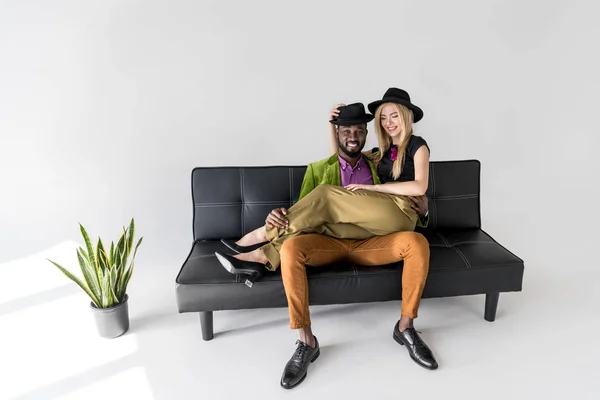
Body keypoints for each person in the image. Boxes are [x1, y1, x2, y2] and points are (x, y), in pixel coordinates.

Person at [214, 88, 431, 285]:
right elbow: (338, 157)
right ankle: (259, 259)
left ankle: (263, 234)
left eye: (394, 116)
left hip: (396, 215)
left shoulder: (417, 145)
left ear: (406, 116)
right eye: (383, 117)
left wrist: (377, 190)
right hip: (364, 226)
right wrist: (332, 125)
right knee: (316, 223)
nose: (388, 122)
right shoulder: (379, 154)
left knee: (326, 193)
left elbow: (420, 187)